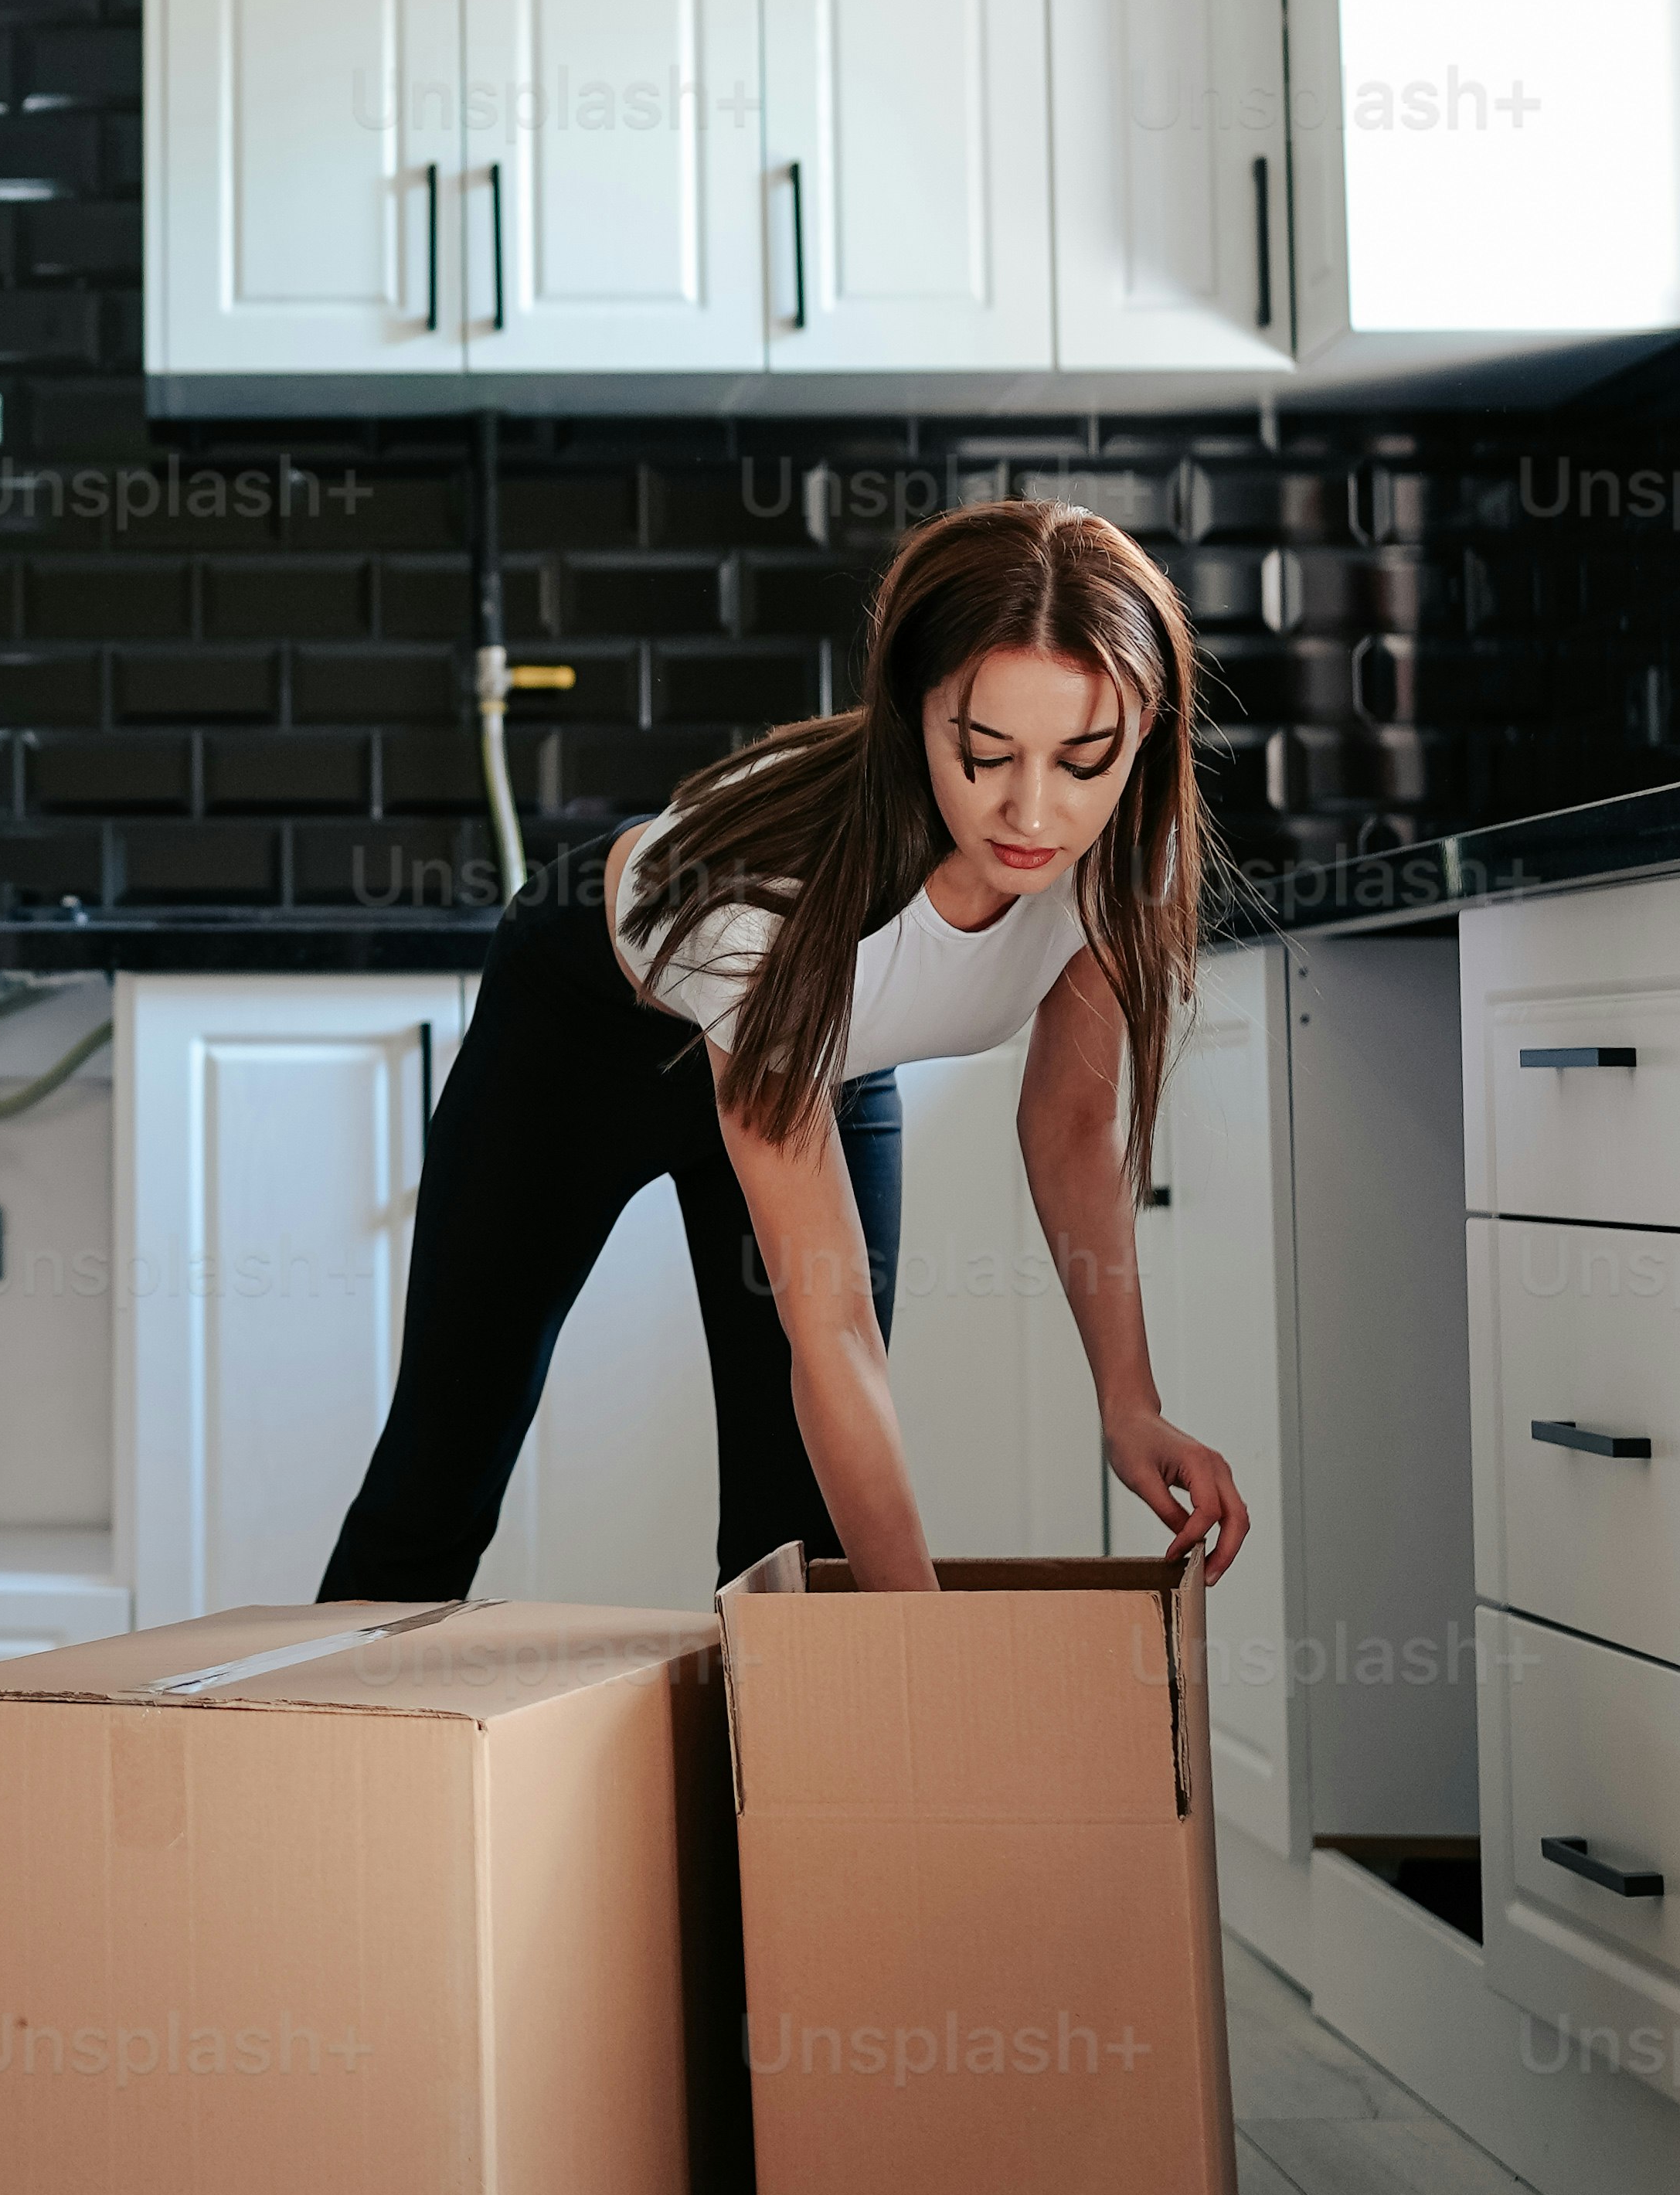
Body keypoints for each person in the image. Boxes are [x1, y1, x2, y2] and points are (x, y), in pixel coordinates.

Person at [320, 497, 1250, 1611]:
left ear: (1141, 734)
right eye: (985, 752)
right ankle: (320, 1777)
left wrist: (1128, 1401)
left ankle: (789, 1788)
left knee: (795, 1539)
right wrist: (923, 1640)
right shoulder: (770, 903)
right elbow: (834, 1331)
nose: (1032, 812)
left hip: (823, 1063)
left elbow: (1067, 1121)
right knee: (442, 1468)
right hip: (584, 1032)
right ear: (913, 715)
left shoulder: (1123, 854)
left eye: (1081, 759)